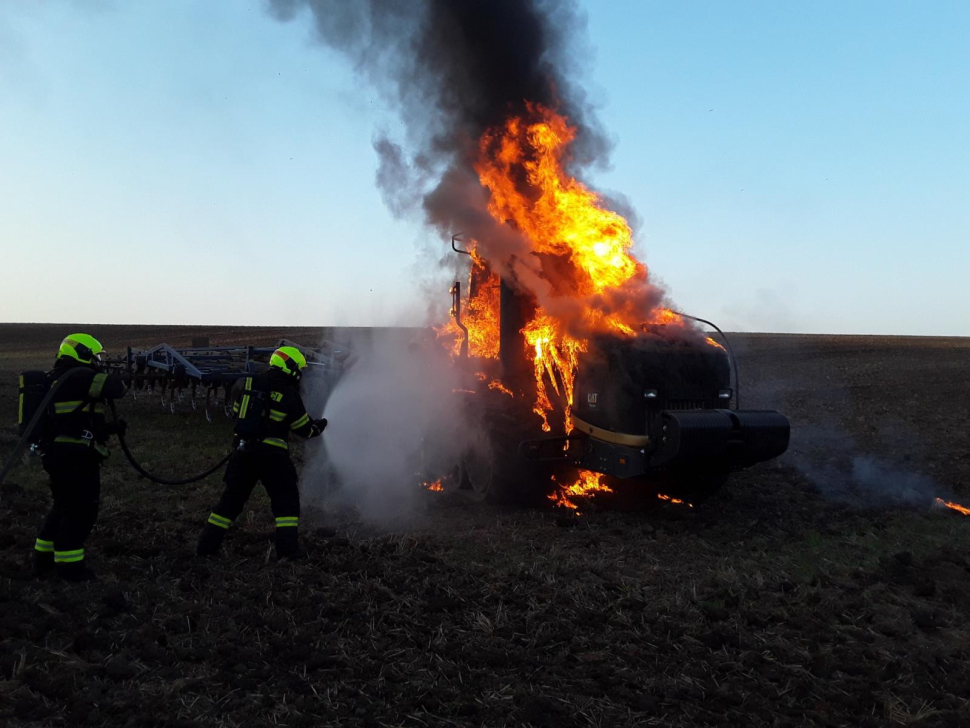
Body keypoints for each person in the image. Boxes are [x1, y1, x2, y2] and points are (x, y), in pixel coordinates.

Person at [196, 345, 326, 559]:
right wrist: (319, 427)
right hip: (273, 457)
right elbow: (303, 429)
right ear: (291, 368)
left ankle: (206, 548)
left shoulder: (247, 382)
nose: (300, 374)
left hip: (243, 452)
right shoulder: (288, 393)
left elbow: (238, 412)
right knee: (286, 501)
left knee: (230, 501)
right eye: (299, 369)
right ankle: (287, 551)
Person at [35, 333, 126, 582]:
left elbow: (71, 419)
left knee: (62, 506)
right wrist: (120, 375)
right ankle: (70, 568)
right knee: (81, 512)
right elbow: (116, 389)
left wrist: (108, 429)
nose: (98, 361)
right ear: (82, 353)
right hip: (76, 457)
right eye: (95, 356)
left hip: (57, 453)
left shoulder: (56, 378)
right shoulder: (80, 376)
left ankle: (42, 558)